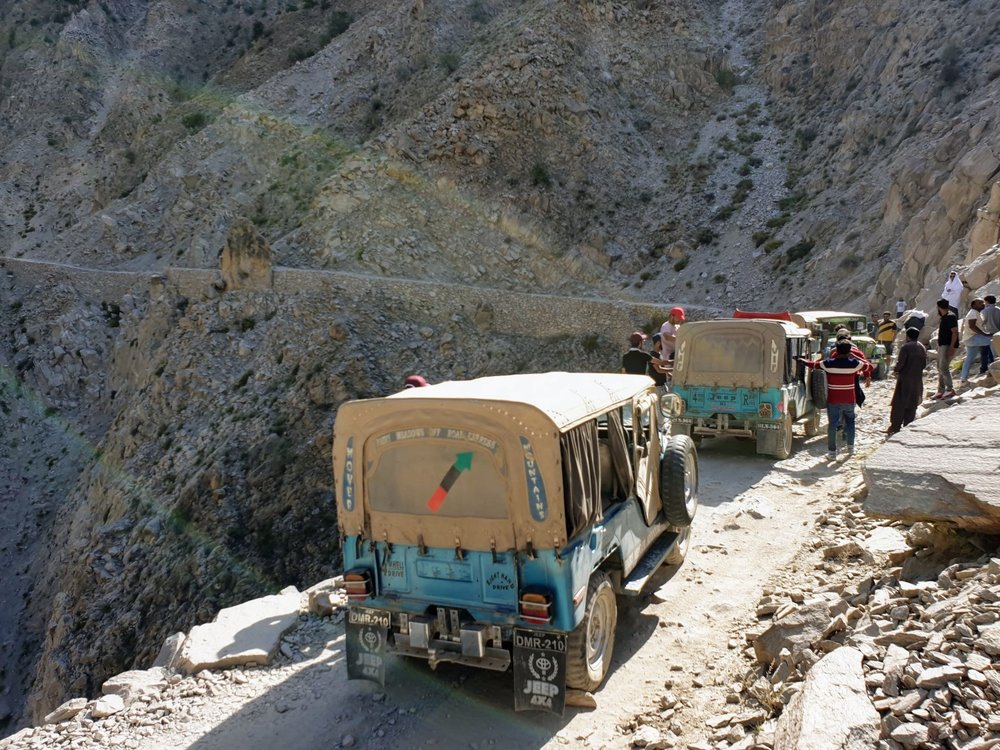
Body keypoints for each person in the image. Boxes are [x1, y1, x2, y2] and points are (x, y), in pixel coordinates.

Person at [798, 341, 873, 460]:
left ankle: (832, 453)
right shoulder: (855, 363)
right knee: (850, 423)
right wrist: (855, 356)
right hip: (849, 399)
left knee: (832, 425)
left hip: (833, 400)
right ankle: (850, 449)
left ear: (836, 351)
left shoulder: (828, 363)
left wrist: (802, 361)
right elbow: (869, 366)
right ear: (849, 351)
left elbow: (813, 365)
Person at [887, 327, 927, 435]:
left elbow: (901, 364)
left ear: (907, 336)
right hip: (917, 379)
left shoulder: (906, 347)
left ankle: (895, 427)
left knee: (899, 403)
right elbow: (924, 364)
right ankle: (908, 426)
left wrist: (895, 370)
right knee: (912, 403)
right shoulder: (922, 347)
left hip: (905, 379)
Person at [931, 298, 959, 400]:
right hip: (942, 345)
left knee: (944, 367)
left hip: (947, 345)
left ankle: (949, 389)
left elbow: (955, 332)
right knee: (940, 367)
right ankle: (941, 390)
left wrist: (951, 347)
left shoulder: (950, 317)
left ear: (939, 307)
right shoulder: (944, 317)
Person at [958, 298, 991, 385]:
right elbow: (972, 326)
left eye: (983, 303)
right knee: (992, 341)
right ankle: (992, 367)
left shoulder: (976, 313)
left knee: (969, 358)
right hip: (972, 338)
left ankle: (963, 379)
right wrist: (984, 334)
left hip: (970, 338)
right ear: (973, 305)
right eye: (980, 303)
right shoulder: (973, 313)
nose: (983, 304)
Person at [980, 295, 1000, 370]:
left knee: (993, 354)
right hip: (998, 334)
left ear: (987, 301)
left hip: (989, 334)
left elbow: (982, 322)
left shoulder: (984, 311)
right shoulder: (998, 309)